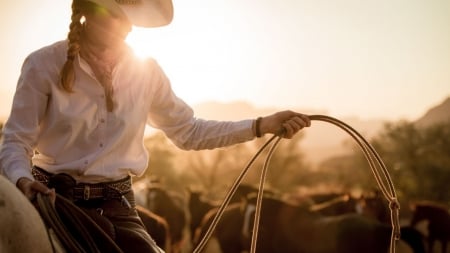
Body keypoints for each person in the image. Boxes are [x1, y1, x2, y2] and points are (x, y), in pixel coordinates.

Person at [0, 0, 311, 252]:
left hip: (115, 204)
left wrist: (259, 125)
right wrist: (22, 179)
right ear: (86, 11)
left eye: (127, 17)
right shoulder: (43, 64)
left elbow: (189, 131)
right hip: (53, 198)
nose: (123, 26)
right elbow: (16, 140)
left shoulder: (146, 72)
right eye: (112, 13)